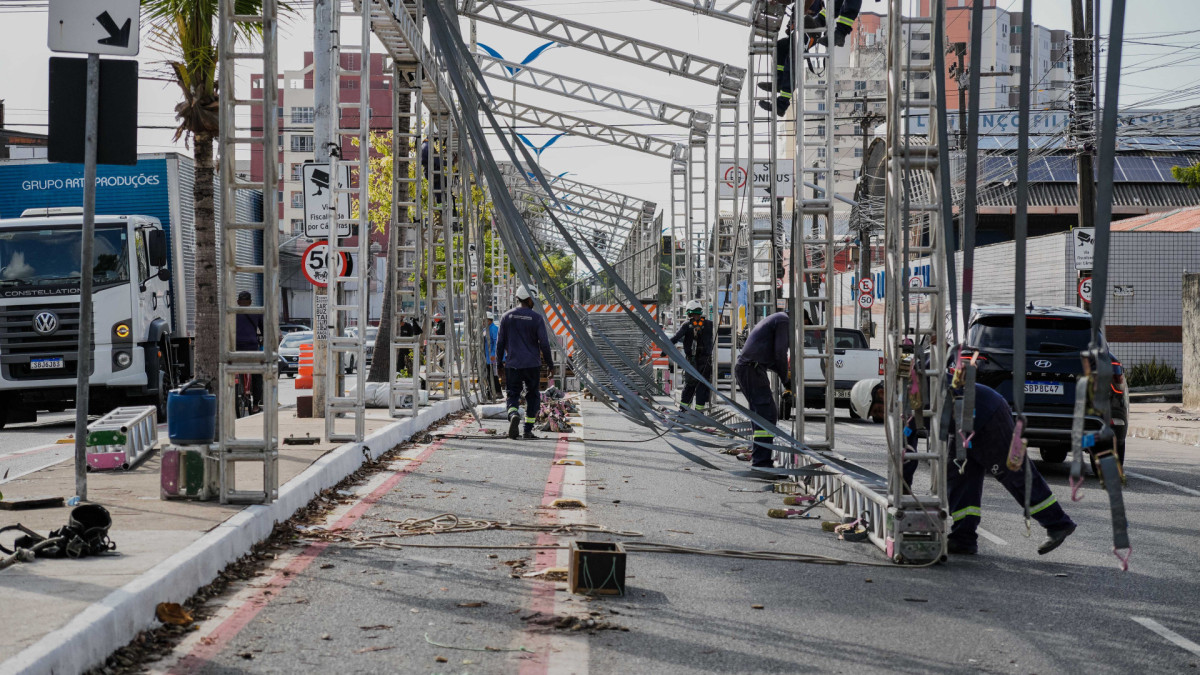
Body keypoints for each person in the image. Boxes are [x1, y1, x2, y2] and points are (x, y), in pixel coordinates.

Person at [904, 382, 1077, 556]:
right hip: (962, 426)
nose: (878, 409)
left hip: (986, 413)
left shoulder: (908, 397)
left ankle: (1058, 524)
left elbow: (906, 456)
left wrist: (904, 491)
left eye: (879, 403)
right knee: (960, 477)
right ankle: (963, 539)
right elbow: (908, 453)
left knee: (1013, 472)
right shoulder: (902, 406)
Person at [758, 0, 864, 117]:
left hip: (811, 31)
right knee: (781, 47)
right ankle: (779, 82)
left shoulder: (814, 3)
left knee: (793, 56)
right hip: (806, 27)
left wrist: (801, 12)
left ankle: (782, 103)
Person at [734, 311, 792, 467]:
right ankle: (761, 461)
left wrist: (785, 378)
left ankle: (759, 457)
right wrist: (786, 380)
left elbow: (772, 358)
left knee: (761, 414)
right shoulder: (784, 321)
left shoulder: (776, 319)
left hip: (749, 368)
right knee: (767, 414)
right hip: (751, 369)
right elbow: (780, 354)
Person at [497, 285, 555, 440]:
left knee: (512, 394)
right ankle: (527, 430)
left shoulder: (506, 316)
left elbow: (500, 343)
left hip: (512, 364)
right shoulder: (536, 318)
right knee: (533, 396)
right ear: (529, 299)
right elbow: (544, 344)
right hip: (532, 365)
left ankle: (514, 414)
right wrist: (550, 364)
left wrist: (498, 365)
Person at [670, 299, 715, 413]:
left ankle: (684, 410)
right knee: (702, 387)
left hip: (693, 362)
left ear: (689, 312)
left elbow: (675, 338)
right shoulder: (709, 324)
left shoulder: (687, 325)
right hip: (705, 362)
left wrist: (665, 349)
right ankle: (699, 412)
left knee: (690, 386)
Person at [235, 291, 264, 412]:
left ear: (237, 302)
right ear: (251, 302)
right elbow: (264, 330)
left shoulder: (232, 312)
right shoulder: (256, 313)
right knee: (257, 376)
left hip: (234, 348)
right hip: (252, 347)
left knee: (230, 372)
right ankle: (256, 405)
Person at [484, 311, 501, 395]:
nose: (483, 322)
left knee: (493, 375)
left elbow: (496, 342)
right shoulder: (486, 329)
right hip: (487, 357)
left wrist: (493, 354)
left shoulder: (493, 328)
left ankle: (497, 391)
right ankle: (490, 391)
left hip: (491, 357)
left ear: (489, 320)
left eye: (485, 320)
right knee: (488, 374)